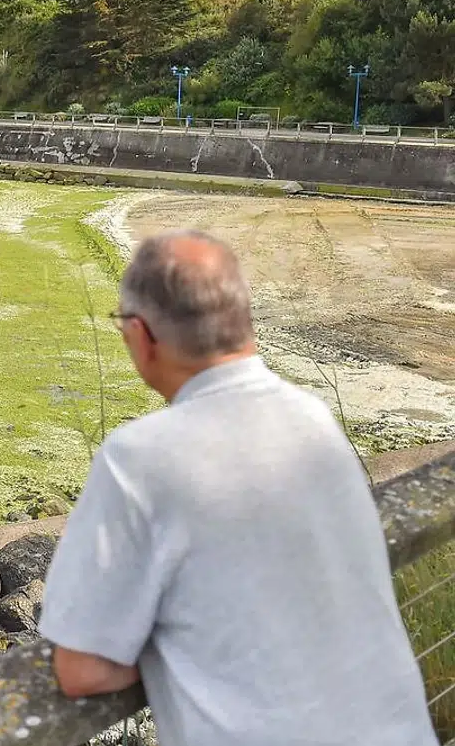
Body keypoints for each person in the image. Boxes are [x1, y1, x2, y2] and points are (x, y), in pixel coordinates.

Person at [39, 230, 436, 745]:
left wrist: (177, 640)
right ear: (243, 322)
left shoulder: (140, 456)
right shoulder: (312, 417)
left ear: (140, 334)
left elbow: (83, 669)